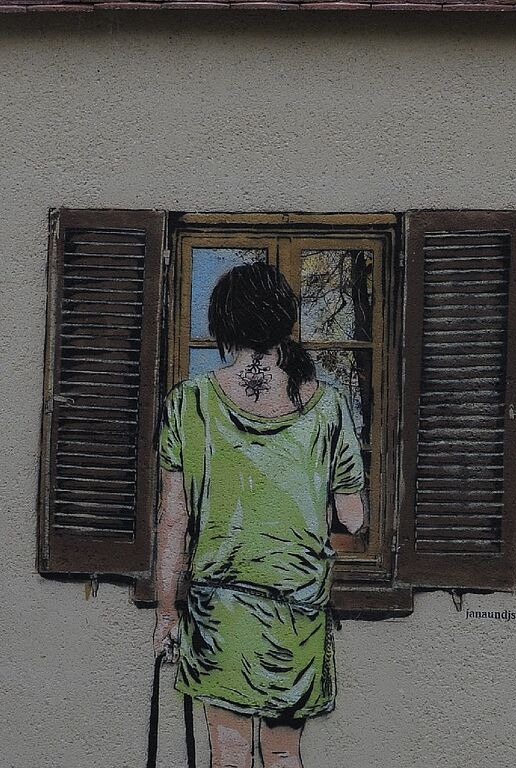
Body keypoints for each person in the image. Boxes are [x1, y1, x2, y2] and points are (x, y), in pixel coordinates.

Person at [152, 262, 366, 768]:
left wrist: (166, 613)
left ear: (222, 324)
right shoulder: (329, 407)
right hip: (296, 612)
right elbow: (354, 517)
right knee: (284, 755)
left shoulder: (188, 403)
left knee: (227, 759)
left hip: (219, 613)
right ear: (286, 321)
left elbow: (173, 521)